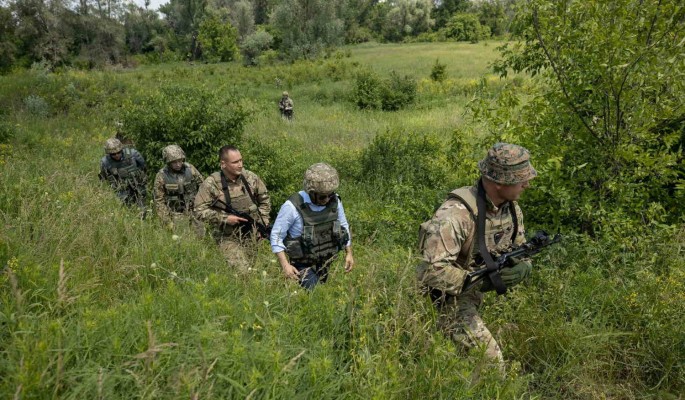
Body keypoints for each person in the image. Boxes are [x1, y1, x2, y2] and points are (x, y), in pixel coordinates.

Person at [417, 142, 538, 370]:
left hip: (471, 295)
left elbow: (520, 247)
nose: (527, 184)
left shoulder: (511, 208)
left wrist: (524, 266)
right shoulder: (455, 215)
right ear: (500, 182)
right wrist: (483, 279)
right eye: (520, 178)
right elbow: (430, 271)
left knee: (459, 363)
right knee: (492, 363)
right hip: (445, 299)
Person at [270, 163, 354, 290]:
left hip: (326, 260)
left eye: (330, 194)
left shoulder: (335, 201)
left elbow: (343, 225)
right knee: (316, 294)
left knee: (326, 291)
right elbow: (276, 235)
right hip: (302, 264)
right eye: (322, 196)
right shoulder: (293, 206)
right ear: (311, 192)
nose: (327, 199)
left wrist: (349, 253)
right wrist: (285, 265)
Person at [194, 146, 271, 271]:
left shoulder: (250, 178)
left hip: (253, 234)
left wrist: (263, 221)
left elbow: (264, 200)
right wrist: (224, 218)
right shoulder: (211, 183)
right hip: (228, 237)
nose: (240, 165)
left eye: (241, 160)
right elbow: (198, 210)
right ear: (223, 164)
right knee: (243, 271)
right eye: (235, 162)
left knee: (259, 268)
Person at [153, 144, 204, 233]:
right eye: (174, 162)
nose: (178, 164)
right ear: (168, 162)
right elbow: (159, 200)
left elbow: (203, 187)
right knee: (184, 239)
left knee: (200, 236)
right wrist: (166, 220)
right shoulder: (161, 176)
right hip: (176, 213)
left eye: (180, 161)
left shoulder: (190, 168)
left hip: (194, 209)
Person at [98, 137, 147, 212]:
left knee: (142, 210)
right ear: (109, 153)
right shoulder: (105, 162)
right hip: (121, 190)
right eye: (113, 154)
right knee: (126, 210)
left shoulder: (133, 154)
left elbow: (143, 166)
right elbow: (103, 178)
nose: (117, 155)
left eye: (118, 152)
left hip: (137, 185)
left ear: (121, 150)